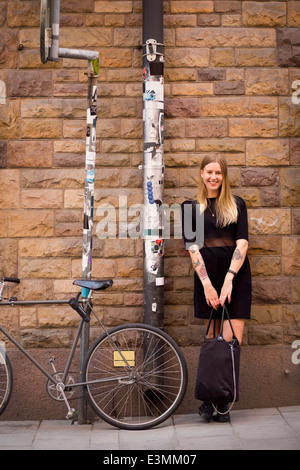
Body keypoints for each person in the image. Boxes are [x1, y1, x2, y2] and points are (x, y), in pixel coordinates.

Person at [181, 155, 252, 423]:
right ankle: (209, 401)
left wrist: (229, 279)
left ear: (224, 176)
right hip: (206, 280)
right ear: (201, 174)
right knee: (213, 341)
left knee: (231, 341)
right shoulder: (190, 208)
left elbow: (242, 244)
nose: (214, 177)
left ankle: (223, 403)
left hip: (236, 278)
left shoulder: (237, 205)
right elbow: (193, 248)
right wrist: (208, 284)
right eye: (209, 172)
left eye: (219, 173)